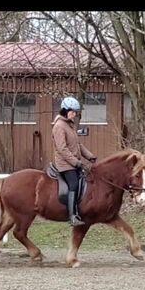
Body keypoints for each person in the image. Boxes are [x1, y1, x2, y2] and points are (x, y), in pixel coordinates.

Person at [52, 96, 97, 226]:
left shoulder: (70, 125)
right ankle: (72, 216)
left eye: (76, 112)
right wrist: (76, 163)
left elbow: (78, 145)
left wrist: (90, 156)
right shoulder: (59, 126)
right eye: (73, 112)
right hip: (64, 164)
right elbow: (62, 149)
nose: (75, 114)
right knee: (74, 184)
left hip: (73, 162)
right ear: (65, 111)